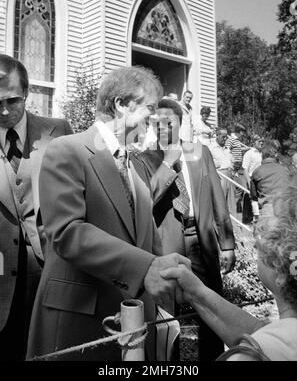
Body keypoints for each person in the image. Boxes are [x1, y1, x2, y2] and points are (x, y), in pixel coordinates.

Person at [26, 66, 190, 361]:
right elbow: (67, 232)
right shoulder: (67, 150)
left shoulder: (136, 165)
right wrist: (145, 269)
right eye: (149, 108)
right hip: (79, 323)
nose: (154, 120)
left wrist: (168, 273)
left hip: (131, 328)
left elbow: (148, 242)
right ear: (121, 105)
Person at [138, 98, 236, 361]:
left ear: (179, 123)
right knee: (168, 317)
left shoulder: (199, 152)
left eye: (168, 122)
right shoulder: (144, 159)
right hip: (167, 245)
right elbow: (146, 199)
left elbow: (217, 197)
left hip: (201, 240)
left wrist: (227, 244)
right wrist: (168, 163)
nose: (162, 128)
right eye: (155, 123)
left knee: (211, 307)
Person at [161, 184, 297, 361]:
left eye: (260, 243)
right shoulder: (283, 336)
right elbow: (260, 330)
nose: (256, 246)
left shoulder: (252, 356)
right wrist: (197, 293)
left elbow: (266, 342)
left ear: (280, 273)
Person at [0, 54, 73, 361]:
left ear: (27, 93)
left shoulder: (58, 132)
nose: (4, 111)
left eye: (12, 100)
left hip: (50, 271)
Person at [250, 140, 290, 221]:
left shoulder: (257, 172)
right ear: (275, 155)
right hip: (284, 210)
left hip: (267, 211)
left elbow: (253, 196)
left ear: (262, 155)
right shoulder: (285, 170)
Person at [209, 127, 236, 216]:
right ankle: (221, 225)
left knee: (232, 202)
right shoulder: (211, 147)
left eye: (226, 137)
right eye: (223, 137)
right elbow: (208, 163)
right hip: (220, 175)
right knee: (221, 201)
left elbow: (231, 161)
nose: (225, 139)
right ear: (217, 135)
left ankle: (234, 227)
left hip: (230, 175)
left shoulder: (227, 148)